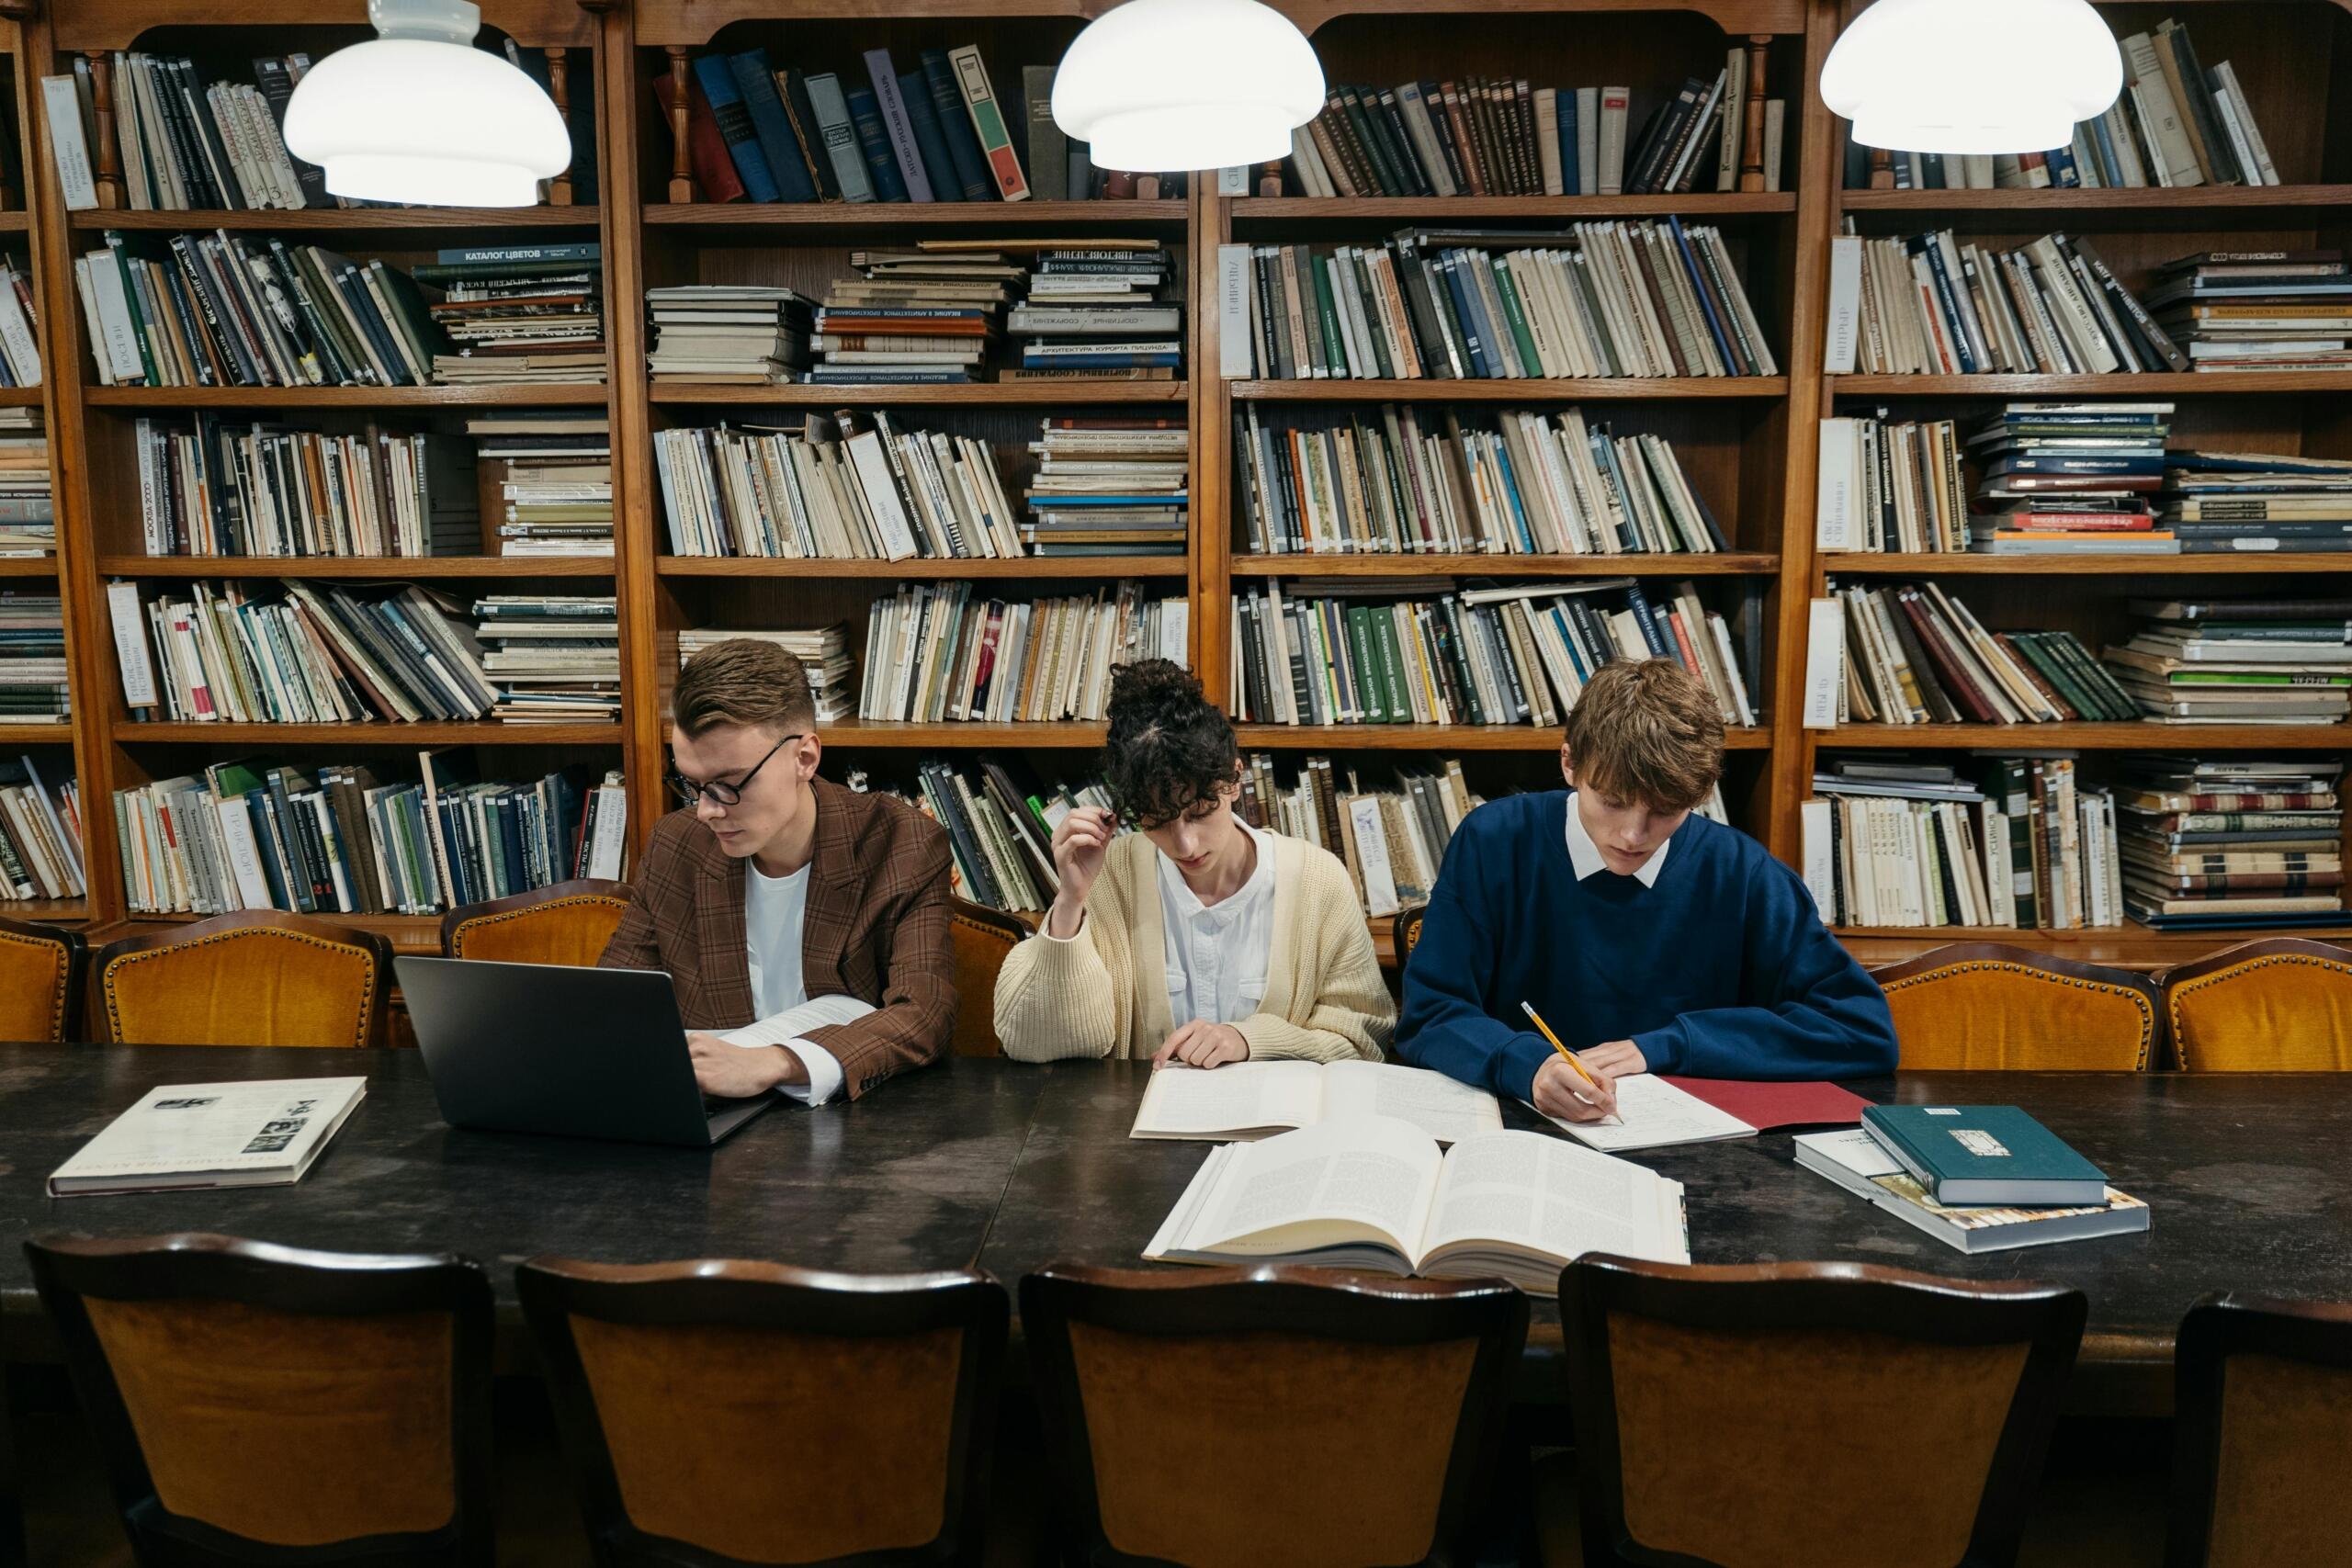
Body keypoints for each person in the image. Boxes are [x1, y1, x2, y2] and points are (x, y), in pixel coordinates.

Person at [1396, 658, 1895, 1122]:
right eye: (1612, 802)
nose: (1633, 836)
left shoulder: (1743, 874)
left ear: (1700, 794)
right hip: (1523, 1128)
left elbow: (1860, 1031)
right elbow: (1432, 1015)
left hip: (1692, 1146)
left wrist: (1669, 1045)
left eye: (1665, 810)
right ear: (1569, 763)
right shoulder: (1494, 841)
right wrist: (1527, 1066)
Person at [599, 638, 956, 1104]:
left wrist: (777, 1060)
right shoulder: (677, 844)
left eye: (729, 786)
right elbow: (618, 1001)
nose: (706, 810)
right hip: (705, 1120)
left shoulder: (900, 843)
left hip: (849, 1127)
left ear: (804, 758)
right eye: (692, 784)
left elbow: (925, 1014)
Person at [994, 659, 1393, 1067]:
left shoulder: (1318, 880)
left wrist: (1250, 1040)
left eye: (1200, 812)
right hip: (1131, 1123)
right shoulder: (1109, 875)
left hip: (1276, 1129)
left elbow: (1362, 1041)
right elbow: (1033, 1043)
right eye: (1158, 822)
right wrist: (1070, 902)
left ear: (1235, 778)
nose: (1185, 844)